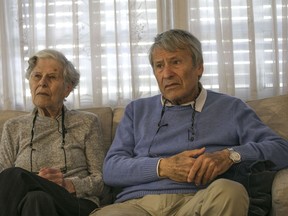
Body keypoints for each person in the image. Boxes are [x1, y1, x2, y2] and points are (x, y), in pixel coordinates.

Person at [90, 29, 288, 216]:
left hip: (201, 199)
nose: (167, 74)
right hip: (139, 205)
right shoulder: (136, 110)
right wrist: (163, 166)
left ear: (199, 67)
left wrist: (230, 155)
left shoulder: (232, 108)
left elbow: (281, 149)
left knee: (230, 191)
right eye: (159, 66)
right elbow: (111, 169)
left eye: (175, 62)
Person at [0, 49, 106, 216]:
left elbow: (101, 180)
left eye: (51, 77)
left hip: (75, 203)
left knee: (15, 176)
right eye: (37, 76)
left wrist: (67, 184)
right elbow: (3, 182)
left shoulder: (87, 122)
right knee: (36, 198)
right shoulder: (13, 127)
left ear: (67, 89)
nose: (42, 83)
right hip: (30, 204)